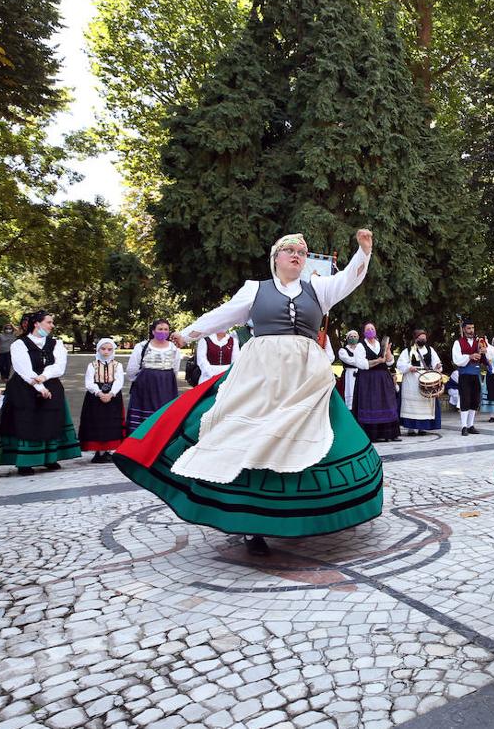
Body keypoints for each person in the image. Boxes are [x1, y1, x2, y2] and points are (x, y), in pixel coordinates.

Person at [113, 231, 380, 555]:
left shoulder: (319, 288)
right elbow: (223, 315)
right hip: (262, 375)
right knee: (252, 437)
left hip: (306, 378)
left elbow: (349, 279)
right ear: (276, 258)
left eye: (302, 251)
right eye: (290, 250)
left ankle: (313, 513)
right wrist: (187, 333)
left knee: (319, 440)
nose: (296, 255)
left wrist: (363, 252)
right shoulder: (256, 290)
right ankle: (252, 522)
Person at [0, 310, 81, 475]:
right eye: (49, 322)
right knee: (26, 422)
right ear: (37, 324)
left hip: (51, 385)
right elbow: (23, 369)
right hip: (24, 388)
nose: (52, 326)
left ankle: (50, 458)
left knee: (50, 420)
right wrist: (40, 387)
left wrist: (44, 377)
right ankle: (25, 462)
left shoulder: (56, 344)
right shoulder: (19, 344)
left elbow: (59, 366)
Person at [126, 319, 183, 432]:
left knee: (164, 411)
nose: (163, 332)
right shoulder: (142, 346)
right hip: (145, 385)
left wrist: (168, 380)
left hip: (166, 385)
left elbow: (175, 368)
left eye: (166, 329)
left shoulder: (173, 348)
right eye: (160, 329)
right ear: (153, 331)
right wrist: (139, 380)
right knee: (144, 412)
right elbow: (132, 368)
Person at [351, 323, 401, 442]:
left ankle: (389, 434)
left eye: (372, 329)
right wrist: (378, 361)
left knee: (387, 403)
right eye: (368, 329)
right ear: (364, 332)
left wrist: (388, 350)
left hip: (383, 379)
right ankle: (371, 435)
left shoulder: (380, 344)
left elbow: (389, 362)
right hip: (368, 380)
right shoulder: (360, 346)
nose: (370, 331)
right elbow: (361, 364)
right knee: (370, 404)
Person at [79, 338, 126, 463]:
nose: (106, 352)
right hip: (95, 397)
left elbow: (119, 380)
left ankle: (107, 450)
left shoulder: (117, 365)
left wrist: (111, 393)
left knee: (111, 422)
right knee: (97, 423)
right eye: (103, 349)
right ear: (98, 349)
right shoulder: (92, 365)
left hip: (113, 396)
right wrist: (98, 393)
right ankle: (98, 451)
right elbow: (88, 382)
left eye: (109, 349)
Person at [398, 329, 442, 436]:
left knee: (424, 404)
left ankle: (423, 428)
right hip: (411, 380)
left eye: (424, 337)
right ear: (415, 339)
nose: (423, 339)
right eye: (420, 337)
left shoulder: (430, 350)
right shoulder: (407, 351)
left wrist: (437, 366)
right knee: (411, 404)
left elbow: (436, 362)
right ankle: (411, 428)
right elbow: (400, 364)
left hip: (426, 378)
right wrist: (409, 367)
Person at [451, 319, 484, 436]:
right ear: (464, 329)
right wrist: (469, 356)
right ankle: (464, 426)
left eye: (473, 328)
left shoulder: (478, 342)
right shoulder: (458, 343)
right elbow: (457, 360)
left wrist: (483, 351)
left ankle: (471, 425)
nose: (471, 330)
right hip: (464, 374)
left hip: (476, 374)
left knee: (475, 400)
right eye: (469, 328)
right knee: (465, 399)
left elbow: (484, 359)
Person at [336, 330, 361, 410]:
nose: (353, 338)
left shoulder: (361, 350)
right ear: (347, 338)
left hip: (360, 374)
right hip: (349, 375)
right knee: (349, 394)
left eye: (355, 336)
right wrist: (361, 361)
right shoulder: (343, 351)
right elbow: (348, 360)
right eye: (351, 337)